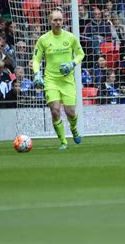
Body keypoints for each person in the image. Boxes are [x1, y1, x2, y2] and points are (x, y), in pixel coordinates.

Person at [32, 10, 85, 150]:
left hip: (67, 80)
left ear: (63, 21)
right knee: (55, 110)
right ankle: (63, 142)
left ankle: (74, 130)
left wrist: (72, 64)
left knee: (70, 112)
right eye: (55, 20)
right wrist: (37, 74)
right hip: (51, 80)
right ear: (50, 21)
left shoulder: (70, 37)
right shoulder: (43, 39)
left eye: (60, 20)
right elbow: (36, 60)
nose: (57, 22)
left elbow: (80, 54)